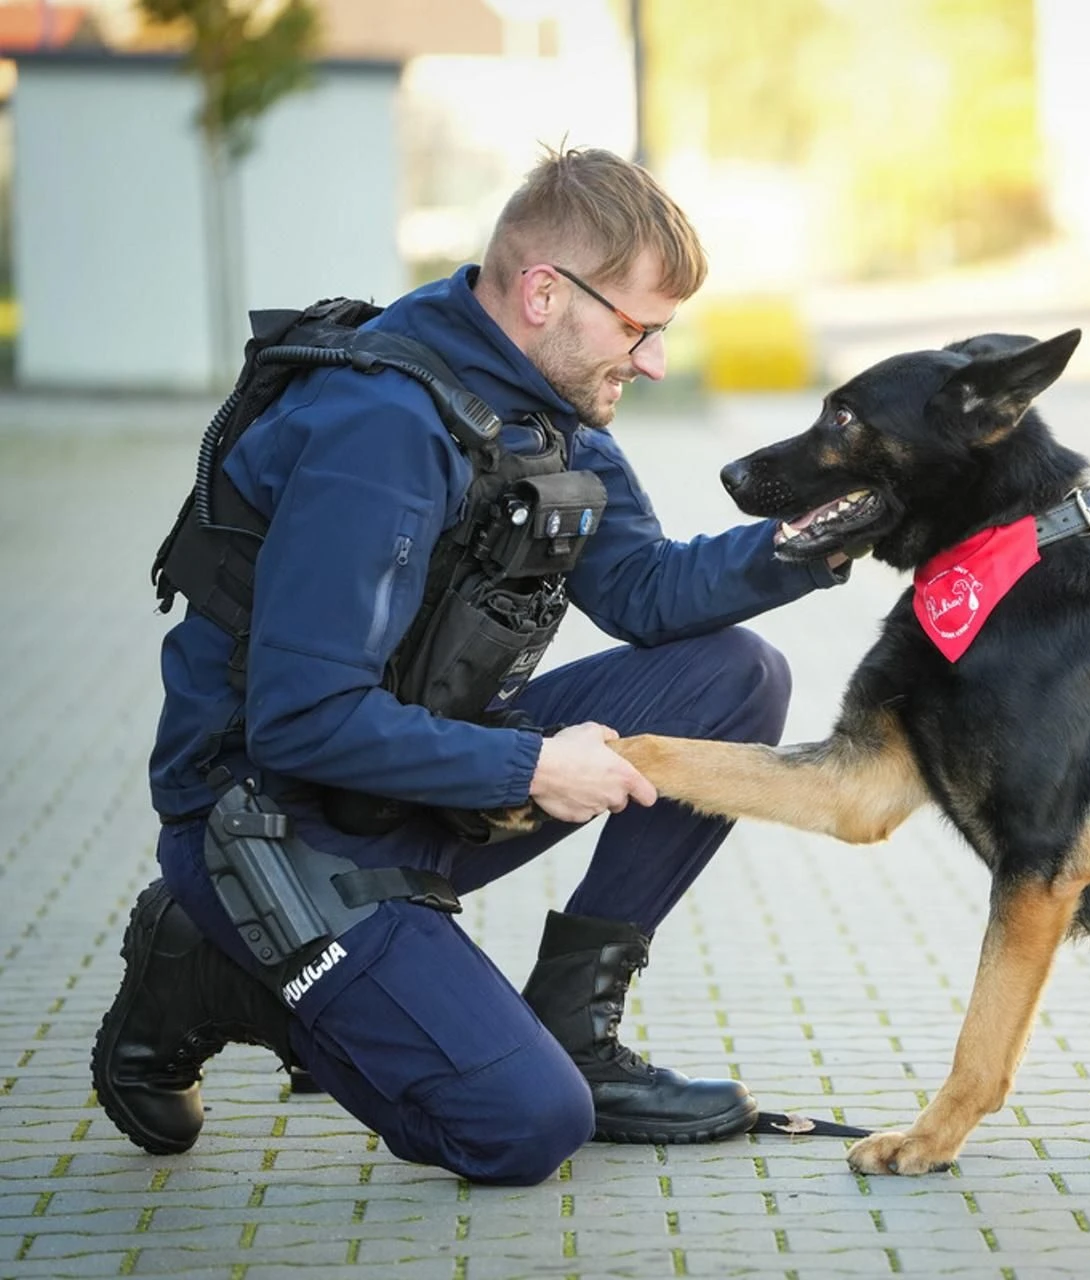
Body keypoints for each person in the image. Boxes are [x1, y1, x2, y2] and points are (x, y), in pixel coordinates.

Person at [92, 146, 846, 1186]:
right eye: (640, 326)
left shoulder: (537, 403)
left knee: (735, 677)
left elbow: (644, 592)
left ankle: (575, 1023)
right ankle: (214, 967)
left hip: (405, 783)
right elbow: (302, 721)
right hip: (275, 822)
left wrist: (817, 540)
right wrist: (535, 768)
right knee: (522, 1125)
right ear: (545, 293)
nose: (657, 359)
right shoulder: (380, 429)